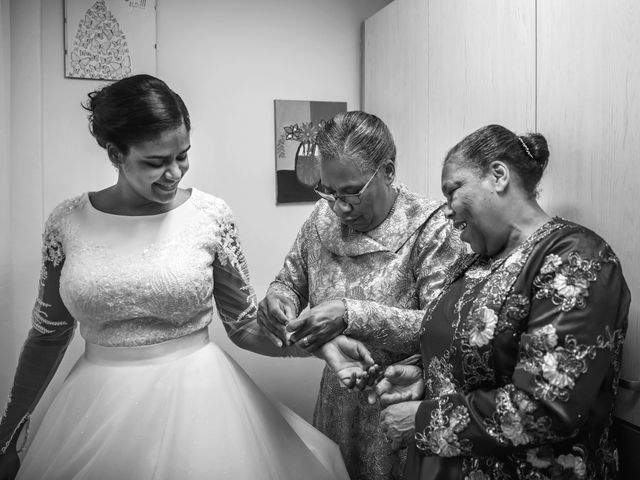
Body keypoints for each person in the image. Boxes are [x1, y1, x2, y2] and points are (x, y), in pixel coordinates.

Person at [0, 74, 374, 480]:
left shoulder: (210, 216)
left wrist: (318, 345)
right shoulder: (67, 222)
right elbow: (48, 332)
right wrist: (9, 430)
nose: (174, 172)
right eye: (155, 162)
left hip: (202, 406)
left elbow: (245, 325)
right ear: (114, 153)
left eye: (182, 155)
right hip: (94, 407)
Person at [374, 124, 630, 479]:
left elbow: (546, 408)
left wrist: (423, 420)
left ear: (498, 175)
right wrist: (426, 372)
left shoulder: (576, 259)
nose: (446, 210)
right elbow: (480, 353)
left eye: (453, 190)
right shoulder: (474, 262)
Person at [258, 111, 465, 480]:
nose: (340, 206)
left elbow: (445, 329)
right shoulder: (320, 220)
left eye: (351, 191)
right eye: (329, 191)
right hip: (337, 404)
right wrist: (279, 299)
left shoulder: (433, 228)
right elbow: (288, 281)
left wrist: (350, 314)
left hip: (401, 404)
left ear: (387, 171)